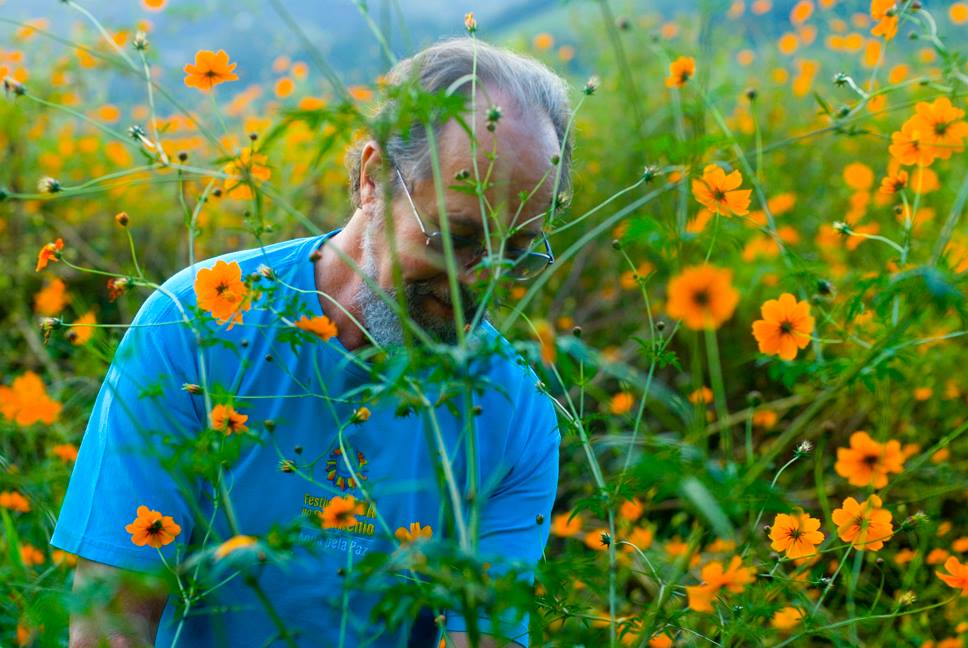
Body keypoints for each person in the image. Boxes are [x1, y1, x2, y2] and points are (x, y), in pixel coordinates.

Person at [52, 36, 573, 647]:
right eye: (457, 237)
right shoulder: (196, 324)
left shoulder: (512, 410)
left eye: (515, 252)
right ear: (376, 178)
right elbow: (113, 622)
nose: (481, 284)